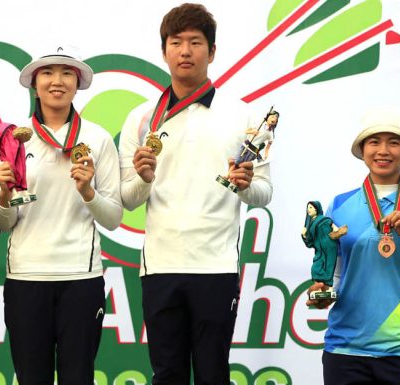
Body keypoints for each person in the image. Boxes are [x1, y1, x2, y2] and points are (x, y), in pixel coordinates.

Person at [118, 4, 272, 383]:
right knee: (167, 374)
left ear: (212, 51)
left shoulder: (244, 116)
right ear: (164, 51)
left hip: (215, 266)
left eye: (195, 42)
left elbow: (264, 193)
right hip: (160, 267)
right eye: (176, 42)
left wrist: (246, 184)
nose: (185, 51)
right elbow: (129, 199)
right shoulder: (140, 117)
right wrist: (143, 177)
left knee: (212, 374)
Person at [0, 45, 122, 385]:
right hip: (26, 277)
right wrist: (4, 196)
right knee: (31, 378)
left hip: (81, 277)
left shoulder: (97, 138)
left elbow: (113, 218)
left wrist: (88, 193)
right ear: (34, 84)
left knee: (77, 378)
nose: (57, 81)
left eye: (67, 73)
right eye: (47, 73)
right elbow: (3, 222)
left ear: (77, 84)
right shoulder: (13, 140)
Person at [307, 108, 400, 385]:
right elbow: (335, 275)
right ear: (362, 149)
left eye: (394, 142)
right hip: (345, 348)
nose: (383, 150)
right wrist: (324, 291)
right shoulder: (339, 205)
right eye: (374, 141)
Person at [301, 200, 346, 299]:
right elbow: (310, 242)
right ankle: (318, 288)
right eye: (308, 207)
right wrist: (304, 235)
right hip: (319, 249)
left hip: (330, 245)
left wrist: (338, 231)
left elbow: (333, 227)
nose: (309, 210)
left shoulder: (324, 219)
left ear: (316, 209)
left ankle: (329, 288)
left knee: (329, 265)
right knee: (316, 267)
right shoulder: (310, 224)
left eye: (311, 207)